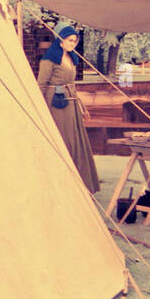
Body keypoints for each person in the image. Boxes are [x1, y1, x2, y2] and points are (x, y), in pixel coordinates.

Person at [37, 25, 100, 193]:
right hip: (55, 102)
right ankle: (60, 181)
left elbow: (72, 86)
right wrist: (41, 110)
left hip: (70, 102)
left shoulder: (72, 58)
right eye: (70, 40)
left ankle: (77, 181)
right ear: (61, 40)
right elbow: (41, 85)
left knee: (76, 138)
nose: (73, 43)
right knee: (65, 139)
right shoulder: (48, 60)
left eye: (75, 41)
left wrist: (82, 107)